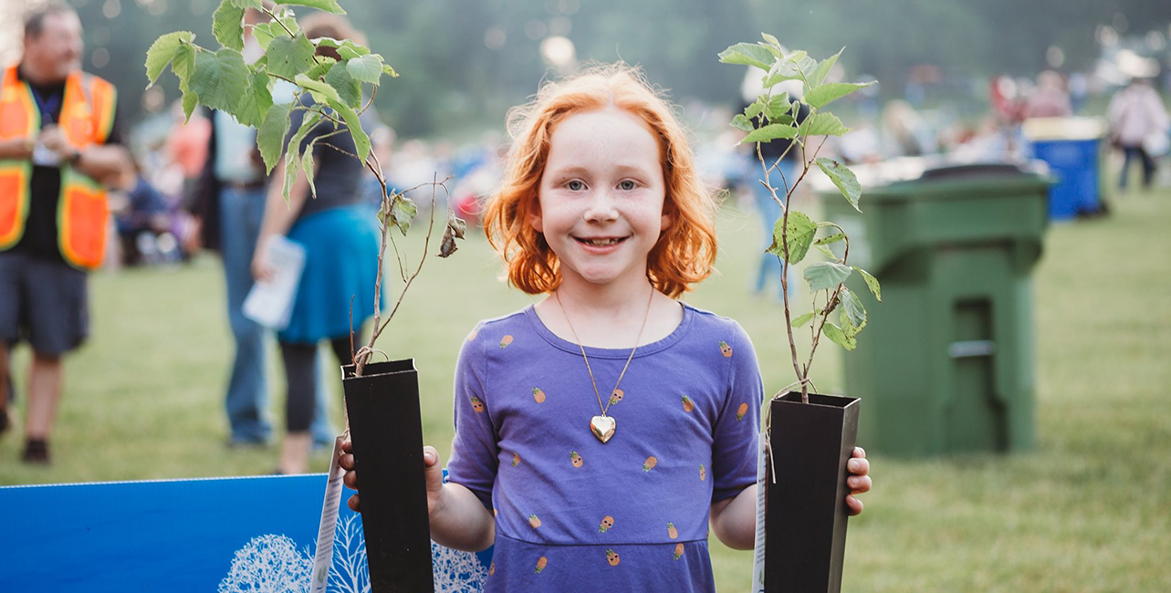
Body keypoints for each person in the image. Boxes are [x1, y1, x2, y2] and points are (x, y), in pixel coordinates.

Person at [339, 64, 871, 590]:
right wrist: (431, 500)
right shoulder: (493, 350)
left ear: (667, 205)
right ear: (533, 205)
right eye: (573, 184)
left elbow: (733, 516)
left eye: (628, 184)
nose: (600, 209)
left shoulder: (721, 350)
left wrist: (807, 486)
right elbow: (477, 519)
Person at [190, 6, 333, 447]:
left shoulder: (291, 51)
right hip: (233, 197)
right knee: (244, 317)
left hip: (280, 195)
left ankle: (312, 423)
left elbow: (310, 128)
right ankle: (248, 420)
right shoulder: (222, 56)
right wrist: (200, 211)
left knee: (298, 312)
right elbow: (211, 142)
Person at [252, 13, 384, 475]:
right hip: (358, 232)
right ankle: (359, 455)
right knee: (353, 359)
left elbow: (287, 185)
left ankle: (291, 462)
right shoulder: (358, 106)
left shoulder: (306, 107)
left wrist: (264, 245)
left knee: (298, 351)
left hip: (316, 237)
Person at [0, 2, 131, 463]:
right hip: (3, 239)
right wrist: (10, 148)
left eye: (76, 37)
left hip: (64, 244)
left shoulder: (99, 95)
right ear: (30, 41)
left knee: (49, 346)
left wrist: (76, 152)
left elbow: (121, 166)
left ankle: (37, 440)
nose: (73, 47)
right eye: (62, 38)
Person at [740, 66, 805, 301]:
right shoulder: (795, 102)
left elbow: (743, 137)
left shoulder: (751, 100)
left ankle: (780, 288)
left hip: (762, 168)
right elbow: (805, 138)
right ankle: (765, 285)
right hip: (785, 169)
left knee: (772, 231)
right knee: (776, 229)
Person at [1107, 77, 1170, 191]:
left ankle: (1142, 185)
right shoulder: (1129, 96)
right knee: (1130, 163)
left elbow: (1115, 115)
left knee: (1142, 163)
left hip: (1141, 137)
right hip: (1132, 136)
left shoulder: (1143, 96)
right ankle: (1129, 185)